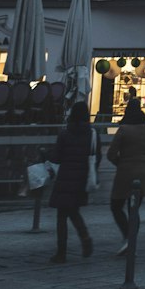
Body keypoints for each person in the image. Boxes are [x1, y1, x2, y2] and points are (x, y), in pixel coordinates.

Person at [46, 100, 97, 264]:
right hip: (82, 177)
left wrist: (45, 155)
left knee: (63, 215)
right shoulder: (92, 134)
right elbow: (96, 156)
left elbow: (56, 157)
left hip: (65, 177)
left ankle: (62, 252)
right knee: (73, 211)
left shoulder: (65, 133)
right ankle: (85, 238)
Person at [106, 95, 145, 254]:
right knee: (134, 209)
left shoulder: (124, 129)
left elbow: (111, 153)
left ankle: (127, 237)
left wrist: (120, 162)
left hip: (125, 172)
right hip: (143, 173)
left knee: (116, 206)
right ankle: (132, 240)